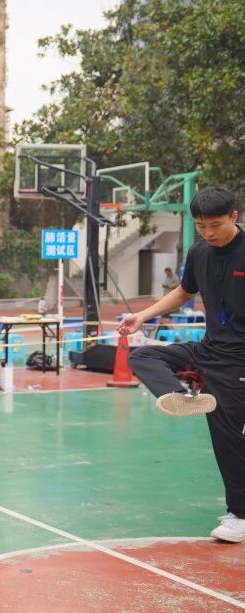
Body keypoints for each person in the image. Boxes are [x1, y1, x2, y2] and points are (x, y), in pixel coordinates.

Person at [118, 186, 245, 543]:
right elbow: (184, 292)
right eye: (201, 226)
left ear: (234, 217)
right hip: (209, 351)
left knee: (229, 439)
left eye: (215, 225)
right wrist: (142, 316)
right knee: (143, 355)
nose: (208, 232)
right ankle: (182, 396)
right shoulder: (199, 252)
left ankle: (240, 515)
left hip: (240, 360)